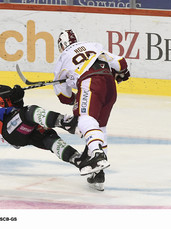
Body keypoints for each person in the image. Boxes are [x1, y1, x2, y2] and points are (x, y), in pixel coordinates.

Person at [0, 80, 110, 177]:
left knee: (49, 136)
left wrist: (17, 95)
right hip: (9, 130)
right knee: (30, 112)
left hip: (23, 126)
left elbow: (17, 102)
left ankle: (81, 162)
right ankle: (67, 123)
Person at [53, 29, 130, 191]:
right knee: (98, 127)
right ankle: (99, 173)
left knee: (84, 118)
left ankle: (97, 154)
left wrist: (75, 98)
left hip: (90, 83)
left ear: (61, 45)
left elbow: (62, 94)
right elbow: (121, 63)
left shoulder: (62, 58)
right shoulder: (92, 45)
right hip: (110, 86)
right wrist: (123, 73)